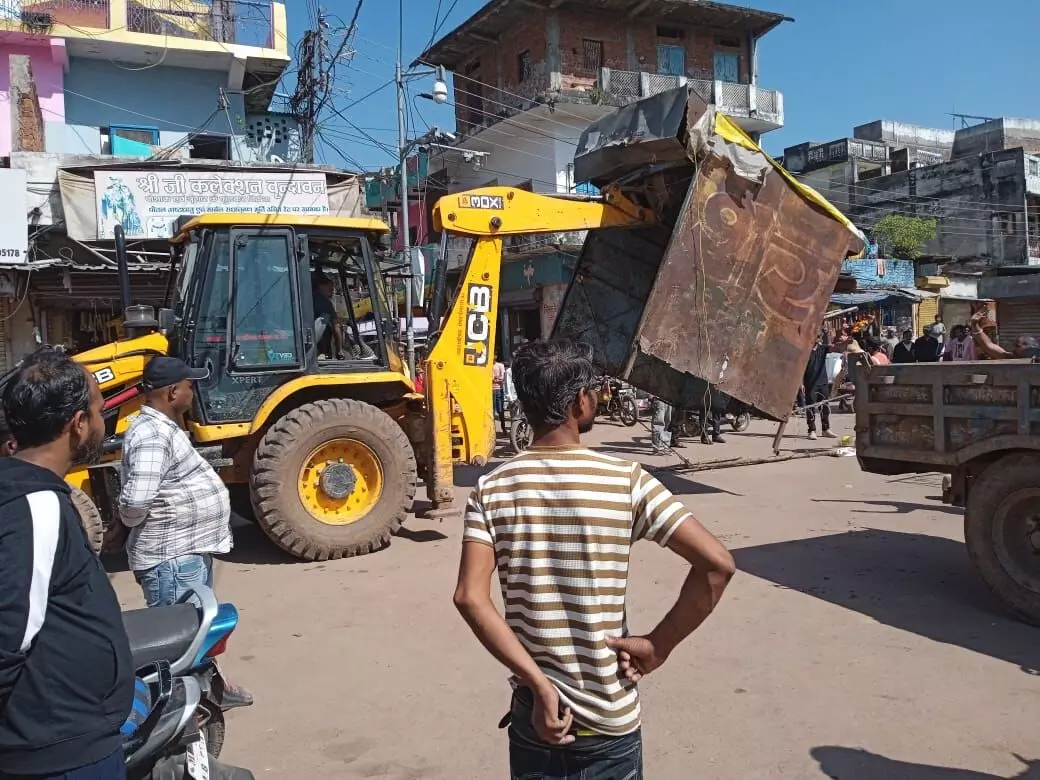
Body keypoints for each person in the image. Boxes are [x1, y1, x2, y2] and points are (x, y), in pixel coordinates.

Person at [454, 339, 735, 779]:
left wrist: (540, 685)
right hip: (610, 724)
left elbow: (471, 597)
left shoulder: (492, 489)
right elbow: (718, 564)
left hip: (537, 720)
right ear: (580, 403)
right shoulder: (626, 481)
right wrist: (658, 645)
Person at [0, 347, 134, 779]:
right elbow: (9, 635)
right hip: (58, 752)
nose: (101, 422)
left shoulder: (24, 492)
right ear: (78, 425)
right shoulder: (35, 508)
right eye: (97, 412)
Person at [118, 357, 252, 709]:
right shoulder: (151, 434)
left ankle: (211, 689)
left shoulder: (163, 427)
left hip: (184, 554)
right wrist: (141, 519)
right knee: (178, 642)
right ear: (172, 391)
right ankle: (180, 713)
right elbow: (136, 501)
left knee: (196, 631)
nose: (193, 392)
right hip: (171, 559)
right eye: (190, 386)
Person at [800, 330, 836, 441]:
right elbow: (800, 369)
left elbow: (832, 347)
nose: (818, 338)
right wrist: (801, 383)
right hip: (810, 382)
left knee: (824, 406)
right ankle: (812, 430)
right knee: (810, 407)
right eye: (816, 337)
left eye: (819, 337)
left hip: (822, 382)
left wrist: (830, 336)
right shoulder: (805, 351)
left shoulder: (822, 349)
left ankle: (826, 429)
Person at [970, 311, 1040, 359]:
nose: (1015, 348)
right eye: (1016, 345)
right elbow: (988, 345)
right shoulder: (1011, 358)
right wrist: (974, 324)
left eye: (1024, 344)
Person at [492, 358, 507, 435]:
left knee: (500, 410)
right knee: (492, 411)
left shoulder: (500, 365)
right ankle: (492, 429)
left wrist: (494, 379)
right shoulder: (488, 366)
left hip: (498, 390)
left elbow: (502, 378)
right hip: (490, 390)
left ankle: (503, 428)